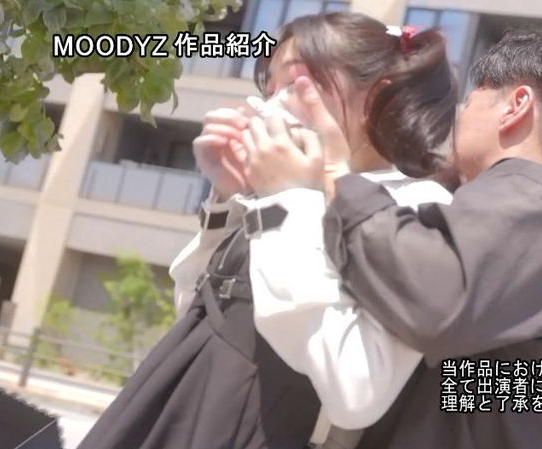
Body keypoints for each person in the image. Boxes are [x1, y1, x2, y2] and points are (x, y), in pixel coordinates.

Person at [77, 12, 457, 449]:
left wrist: (286, 198)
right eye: (270, 89)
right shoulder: (289, 189)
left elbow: (356, 392)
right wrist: (226, 199)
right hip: (176, 409)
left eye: (296, 85)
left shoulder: (416, 207)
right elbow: (199, 316)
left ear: (377, 95)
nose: (269, 107)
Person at [242, 28, 542, 449]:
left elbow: (431, 294)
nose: (459, 112)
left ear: (516, 106)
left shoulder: (536, 203)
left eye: (472, 98)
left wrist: (329, 182)